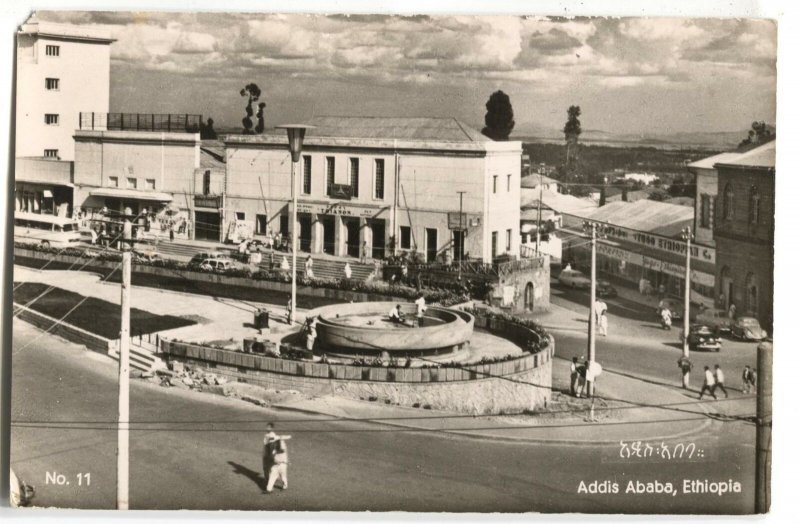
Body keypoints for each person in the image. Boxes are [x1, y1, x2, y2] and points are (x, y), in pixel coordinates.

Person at [264, 427, 291, 493]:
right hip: (276, 465)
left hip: (282, 464)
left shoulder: (280, 446)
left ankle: (285, 486)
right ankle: (269, 489)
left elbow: (281, 450)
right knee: (273, 476)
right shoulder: (275, 444)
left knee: (283, 477)